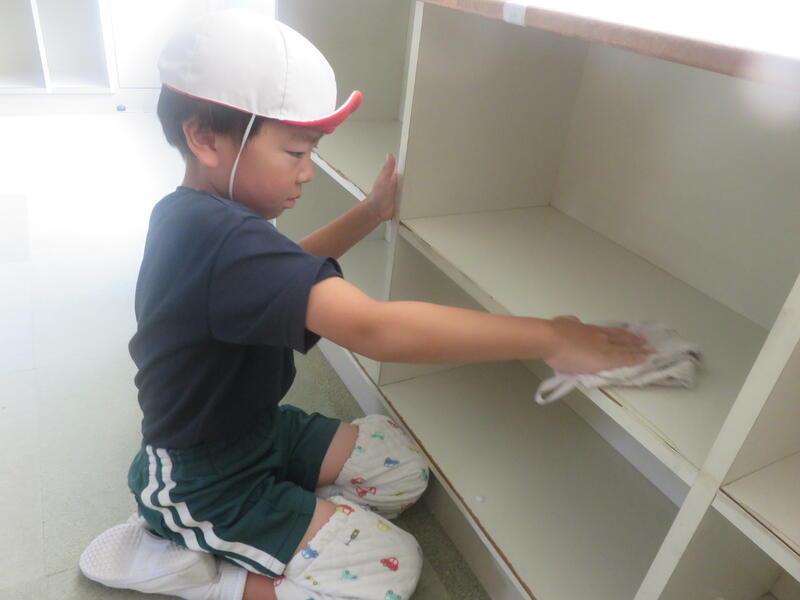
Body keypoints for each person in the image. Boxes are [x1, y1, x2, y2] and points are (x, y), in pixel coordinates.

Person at [79, 9, 651, 600]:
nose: (307, 173)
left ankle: (287, 529)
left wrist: (370, 213)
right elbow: (375, 329)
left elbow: (290, 269)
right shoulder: (217, 234)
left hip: (257, 432)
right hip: (201, 478)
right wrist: (554, 336)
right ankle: (196, 568)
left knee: (401, 467)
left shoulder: (205, 219)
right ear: (205, 138)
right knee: (391, 569)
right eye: (295, 152)